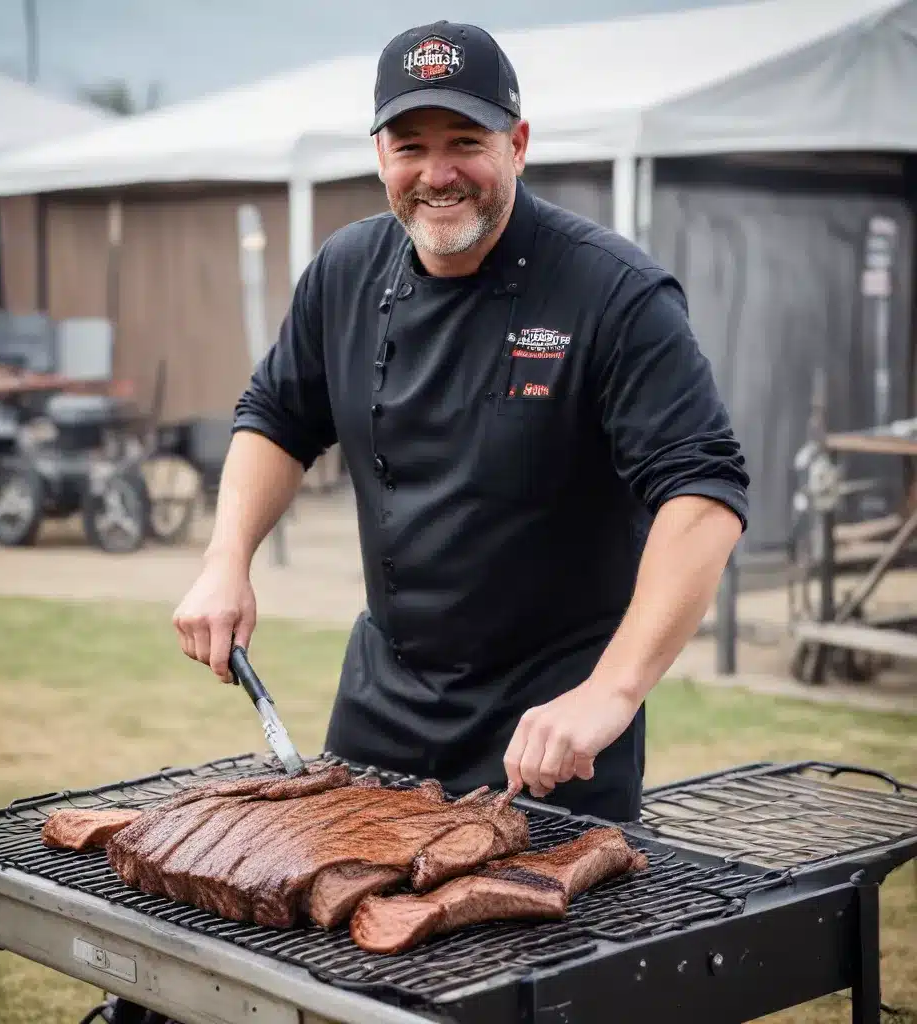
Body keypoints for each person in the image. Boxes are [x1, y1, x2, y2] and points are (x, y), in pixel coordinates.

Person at [173, 20, 749, 823]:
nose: (437, 174)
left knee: (538, 945)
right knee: (344, 935)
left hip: (550, 732)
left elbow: (704, 492)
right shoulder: (344, 272)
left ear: (517, 143)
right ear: (380, 155)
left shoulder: (614, 294)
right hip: (381, 704)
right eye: (410, 146)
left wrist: (610, 694)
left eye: (464, 142)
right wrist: (225, 558)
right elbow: (275, 416)